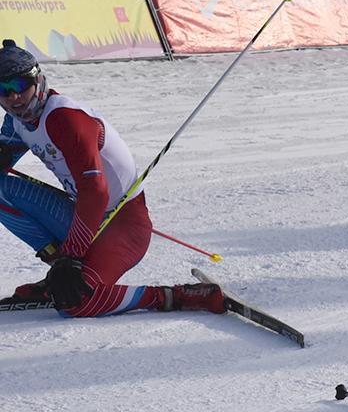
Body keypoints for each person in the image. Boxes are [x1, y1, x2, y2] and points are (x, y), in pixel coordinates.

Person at [0, 40, 224, 317]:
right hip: (83, 215)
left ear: (38, 79)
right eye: (3, 90)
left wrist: (72, 255)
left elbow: (95, 193)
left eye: (20, 85)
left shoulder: (65, 119)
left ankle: (177, 296)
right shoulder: (17, 121)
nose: (13, 97)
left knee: (76, 305)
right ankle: (58, 274)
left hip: (124, 222)